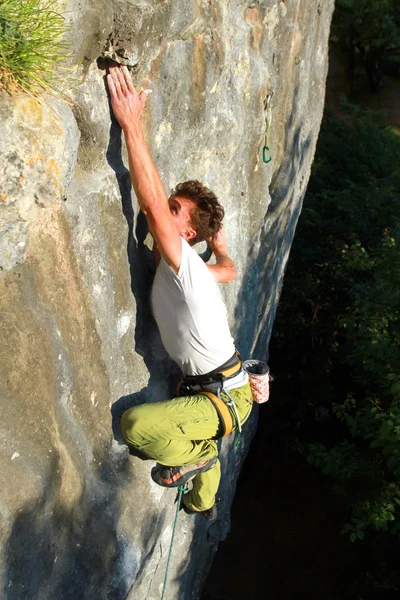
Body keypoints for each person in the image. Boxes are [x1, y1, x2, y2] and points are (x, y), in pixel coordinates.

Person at [107, 66, 253, 516]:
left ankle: (200, 455)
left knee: (135, 425)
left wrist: (131, 124)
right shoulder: (202, 268)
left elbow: (149, 203)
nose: (162, 214)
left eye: (176, 212)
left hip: (221, 396)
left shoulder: (187, 266)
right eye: (171, 205)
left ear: (186, 233)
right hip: (220, 390)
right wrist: (221, 249)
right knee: (199, 502)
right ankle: (202, 493)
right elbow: (227, 271)